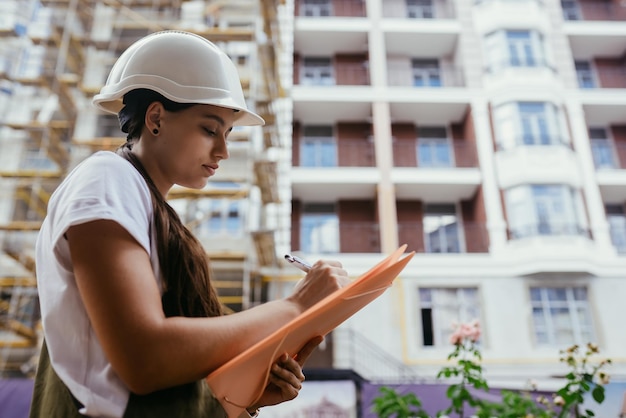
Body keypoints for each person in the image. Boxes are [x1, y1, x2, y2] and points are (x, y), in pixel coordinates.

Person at [30, 30, 350, 418]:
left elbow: (161, 380)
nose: (223, 151)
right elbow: (144, 359)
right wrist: (296, 306)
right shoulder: (107, 178)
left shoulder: (148, 205)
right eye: (209, 129)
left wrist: (245, 394)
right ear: (156, 118)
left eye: (228, 133)